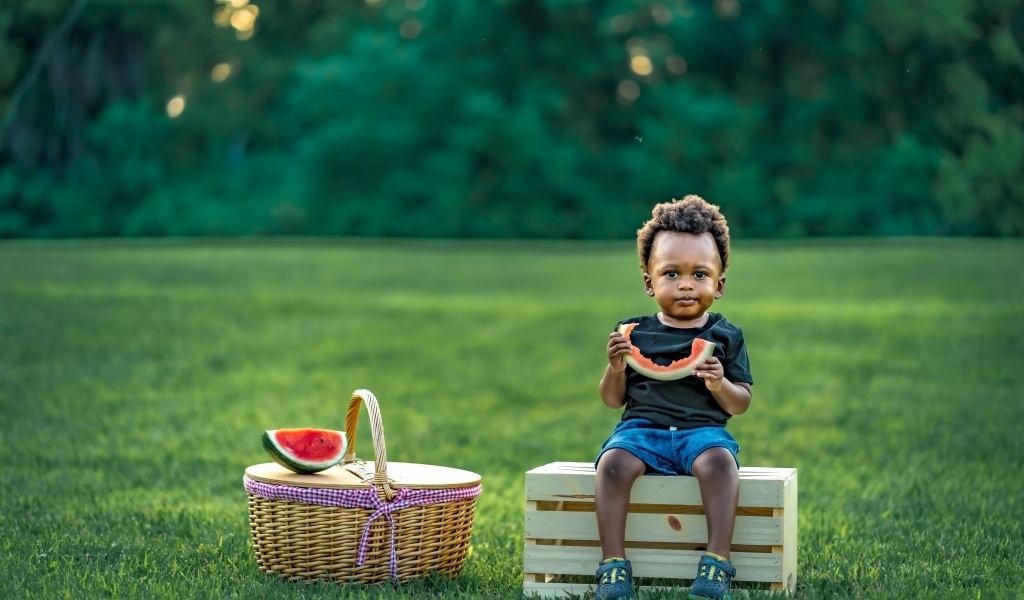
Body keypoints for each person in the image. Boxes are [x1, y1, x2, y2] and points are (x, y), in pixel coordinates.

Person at [593, 195, 753, 600]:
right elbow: (612, 400)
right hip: (640, 430)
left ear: (719, 285)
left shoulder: (726, 336)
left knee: (721, 464)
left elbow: (740, 403)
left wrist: (720, 385)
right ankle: (613, 566)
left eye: (699, 274)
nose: (685, 284)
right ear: (650, 283)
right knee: (612, 464)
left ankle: (716, 562)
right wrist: (616, 368)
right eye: (671, 273)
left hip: (702, 432)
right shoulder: (631, 333)